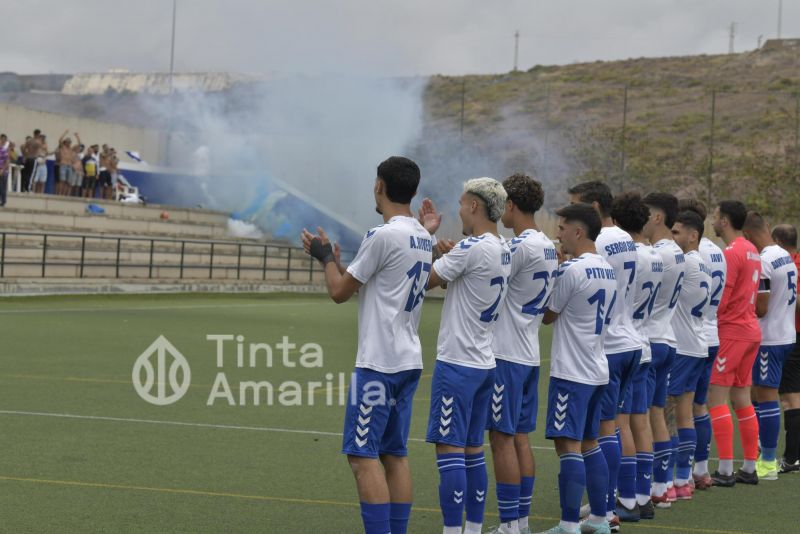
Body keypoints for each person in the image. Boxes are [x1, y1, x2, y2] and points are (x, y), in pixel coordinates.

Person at [301, 156, 437, 534]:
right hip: (408, 360)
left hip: (379, 364)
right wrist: (339, 264)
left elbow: (339, 292)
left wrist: (324, 258)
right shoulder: (422, 236)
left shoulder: (382, 235)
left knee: (362, 457)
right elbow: (377, 284)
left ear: (380, 186)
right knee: (394, 455)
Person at [424, 177, 511, 534]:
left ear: (474, 206)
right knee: (474, 450)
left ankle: (452, 530)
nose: (459, 210)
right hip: (485, 362)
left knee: (449, 450)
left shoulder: (471, 247)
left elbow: (425, 281)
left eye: (462, 203)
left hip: (458, 363)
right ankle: (473, 528)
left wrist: (429, 243)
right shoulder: (503, 247)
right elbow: (460, 279)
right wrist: (448, 256)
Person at [536, 203, 616, 534]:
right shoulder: (607, 268)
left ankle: (568, 525)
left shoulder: (572, 270)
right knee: (589, 442)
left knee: (567, 445)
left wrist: (554, 273)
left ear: (578, 231)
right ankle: (599, 519)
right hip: (597, 368)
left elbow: (548, 315)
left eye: (562, 227)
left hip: (572, 372)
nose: (558, 234)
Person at [486, 174, 557, 534]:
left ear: (511, 205)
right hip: (528, 353)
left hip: (506, 354)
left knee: (501, 440)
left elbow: (487, 280)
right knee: (519, 438)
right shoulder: (547, 246)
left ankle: (509, 524)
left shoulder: (519, 247)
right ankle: (521, 522)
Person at [568, 182, 640, 531]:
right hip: (629, 339)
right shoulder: (625, 237)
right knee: (613, 425)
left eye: (575, 208)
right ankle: (615, 499)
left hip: (608, 344)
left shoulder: (601, 242)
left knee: (603, 429)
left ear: (593, 208)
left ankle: (607, 507)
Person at [610, 192, 661, 522]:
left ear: (616, 221)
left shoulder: (627, 253)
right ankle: (643, 496)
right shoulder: (655, 255)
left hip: (625, 341)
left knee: (621, 423)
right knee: (641, 422)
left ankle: (626, 498)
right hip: (645, 341)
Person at [709, 200, 762, 487]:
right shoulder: (752, 249)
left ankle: (726, 470)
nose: (713, 221)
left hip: (733, 331)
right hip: (751, 330)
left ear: (725, 221)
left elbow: (724, 298)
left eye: (716, 216)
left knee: (716, 398)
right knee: (741, 398)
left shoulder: (731, 252)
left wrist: (710, 322)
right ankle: (749, 467)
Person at [742, 212, 798, 480]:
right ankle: (757, 454)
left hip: (770, 338)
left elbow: (761, 308)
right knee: (757, 393)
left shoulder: (764, 261)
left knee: (766, 398)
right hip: (785, 334)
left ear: (747, 235)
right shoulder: (783, 255)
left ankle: (766, 463)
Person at [677, 198, 727, 490]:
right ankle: (700, 469)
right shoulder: (717, 251)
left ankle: (678, 475)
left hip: (688, 337)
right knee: (699, 406)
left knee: (678, 409)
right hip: (710, 333)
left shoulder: (687, 255)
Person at [640, 193, 686, 507]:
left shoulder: (657, 254)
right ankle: (662, 486)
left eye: (646, 214)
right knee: (657, 414)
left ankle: (638, 490)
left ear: (657, 217)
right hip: (667, 336)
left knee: (639, 418)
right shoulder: (676, 252)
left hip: (651, 339)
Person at [665, 210, 712, 500]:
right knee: (685, 414)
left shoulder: (686, 263)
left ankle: (667, 481)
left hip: (682, 347)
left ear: (693, 236)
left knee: (667, 414)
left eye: (676, 233)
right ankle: (683, 479)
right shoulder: (702, 262)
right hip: (697, 344)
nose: (672, 238)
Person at [771, 224, 800, 473]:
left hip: (793, 335)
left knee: (790, 398)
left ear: (778, 241)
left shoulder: (788, 266)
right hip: (790, 334)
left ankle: (792, 458)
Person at [0, 134, 9, 206]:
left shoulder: (4, 150)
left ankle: (3, 201)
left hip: (2, 170)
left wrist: (2, 169)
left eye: (4, 140)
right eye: (1, 139)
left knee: (2, 187)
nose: (2, 141)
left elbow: (7, 161)